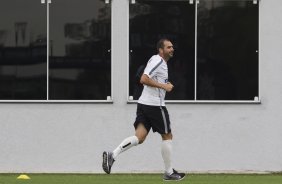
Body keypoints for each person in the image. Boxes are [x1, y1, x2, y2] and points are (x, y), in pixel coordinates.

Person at [102, 38, 185, 181]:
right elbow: (144, 79)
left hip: (143, 104)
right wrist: (164, 86)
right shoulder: (158, 61)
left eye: (172, 47)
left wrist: (165, 83)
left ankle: (112, 155)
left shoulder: (159, 62)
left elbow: (150, 79)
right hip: (155, 106)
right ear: (161, 50)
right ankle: (169, 172)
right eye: (169, 47)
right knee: (167, 136)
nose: (172, 49)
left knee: (139, 138)